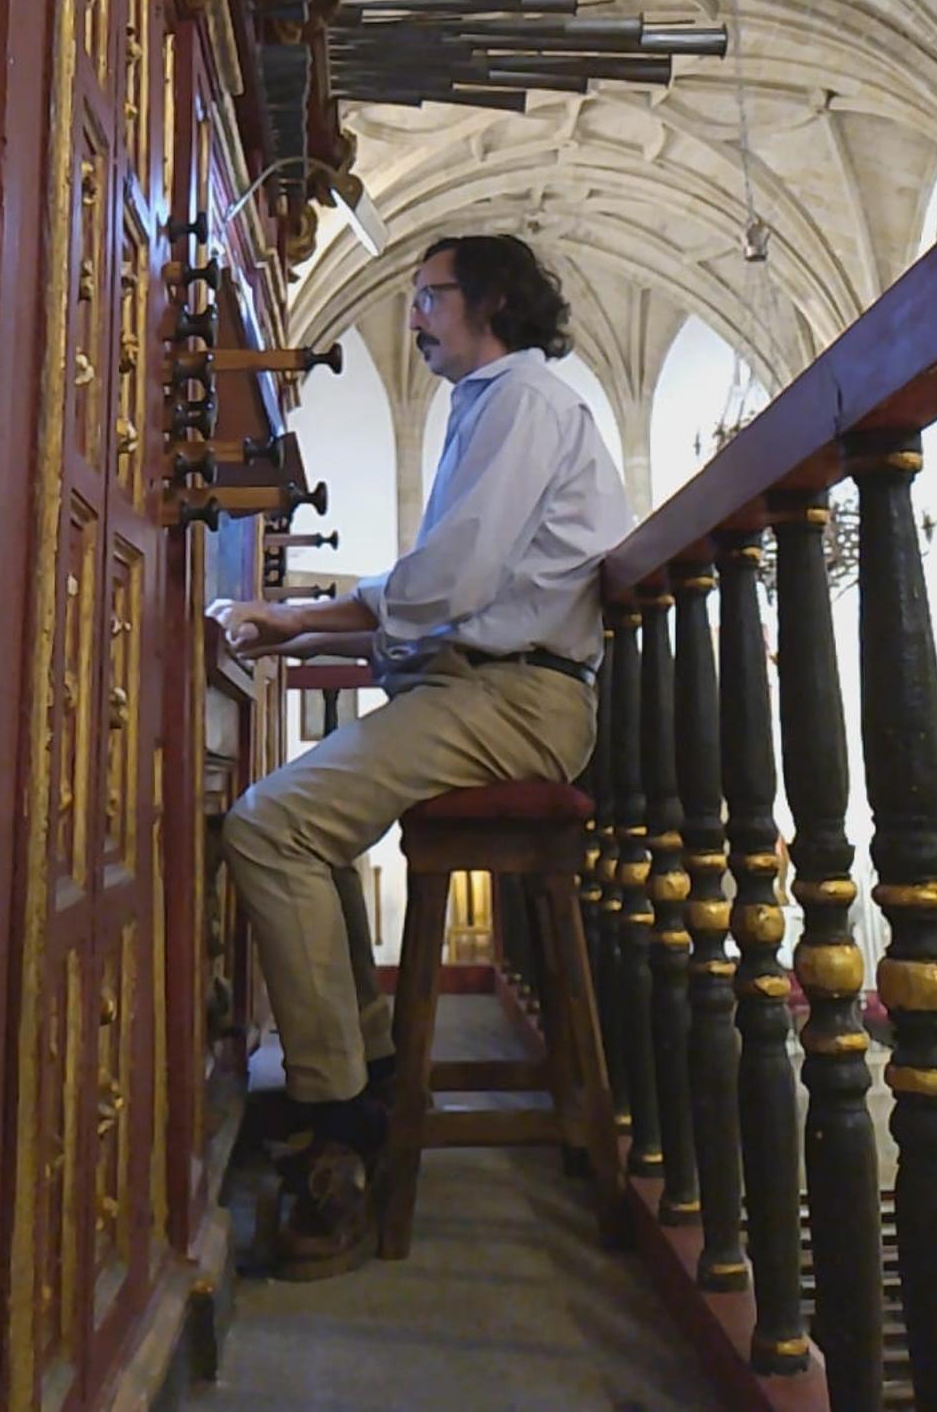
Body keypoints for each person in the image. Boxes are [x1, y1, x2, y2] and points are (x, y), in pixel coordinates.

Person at [210, 233, 633, 1277]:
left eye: (428, 296)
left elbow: (443, 590)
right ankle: (367, 1066)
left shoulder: (523, 401)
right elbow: (439, 610)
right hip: (482, 681)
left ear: (490, 298)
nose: (413, 317)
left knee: (271, 823)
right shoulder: (488, 407)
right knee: (308, 823)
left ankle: (339, 1119)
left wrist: (287, 613)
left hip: (520, 698)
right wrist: (295, 629)